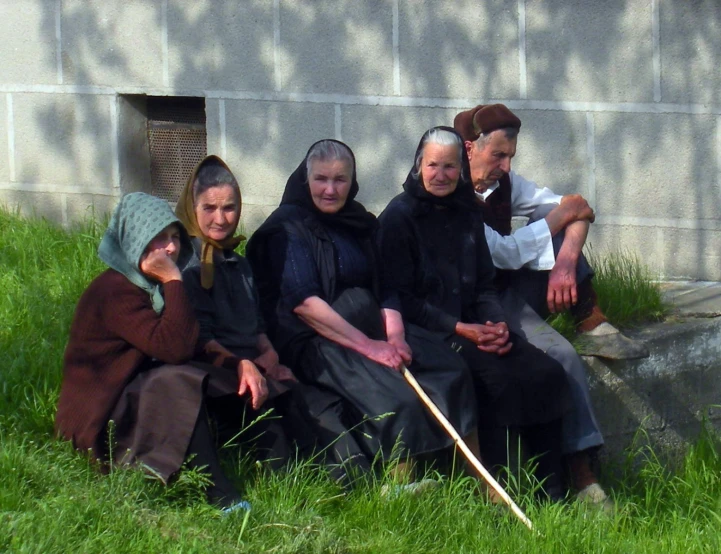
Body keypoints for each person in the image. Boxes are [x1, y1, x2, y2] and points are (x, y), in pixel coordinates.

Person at [246, 139, 479, 489]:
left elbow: (386, 286)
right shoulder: (287, 228)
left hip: (374, 326)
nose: (330, 189)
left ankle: (478, 479)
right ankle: (401, 487)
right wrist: (370, 347)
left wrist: (396, 337)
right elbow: (305, 305)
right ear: (305, 178)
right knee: (395, 395)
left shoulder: (361, 223)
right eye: (321, 179)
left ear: (352, 181)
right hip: (319, 339)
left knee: (451, 368)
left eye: (340, 180)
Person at [377, 127, 573, 499]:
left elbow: (484, 284)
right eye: (433, 165)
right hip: (431, 333)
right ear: (420, 165)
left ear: (461, 170)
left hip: (477, 326)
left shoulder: (468, 213)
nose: (441, 175)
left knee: (545, 371)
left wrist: (497, 323)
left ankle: (553, 489)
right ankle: (500, 490)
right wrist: (459, 328)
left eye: (450, 167)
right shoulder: (398, 218)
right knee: (492, 380)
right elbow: (400, 297)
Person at [176, 155, 371, 484]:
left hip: (252, 365)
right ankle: (303, 490)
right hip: (215, 373)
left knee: (317, 404)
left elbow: (256, 322)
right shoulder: (187, 264)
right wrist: (241, 364)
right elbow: (197, 335)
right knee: (276, 428)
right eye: (210, 208)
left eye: (230, 208)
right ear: (192, 207)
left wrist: (268, 353)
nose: (221, 219)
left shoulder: (237, 261)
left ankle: (360, 484)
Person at [56, 192, 251, 512]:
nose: (171, 248)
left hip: (131, 395)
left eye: (175, 237)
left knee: (222, 377)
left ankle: (279, 464)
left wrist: (239, 364)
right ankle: (221, 496)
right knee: (175, 381)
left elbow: (192, 342)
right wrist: (175, 280)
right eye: (158, 238)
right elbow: (174, 349)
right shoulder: (115, 290)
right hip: (98, 424)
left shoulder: (152, 286)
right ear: (135, 239)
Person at [454, 103, 648, 362]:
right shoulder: (452, 196)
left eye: (511, 156)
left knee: (554, 224)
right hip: (474, 307)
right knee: (551, 223)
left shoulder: (503, 182)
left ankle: (591, 323)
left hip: (507, 289)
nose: (507, 166)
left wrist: (566, 262)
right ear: (469, 149)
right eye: (498, 155)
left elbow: (578, 209)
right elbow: (504, 253)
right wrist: (558, 217)